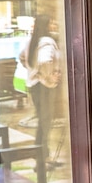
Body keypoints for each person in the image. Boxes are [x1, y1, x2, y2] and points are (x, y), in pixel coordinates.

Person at [19, 14, 61, 162]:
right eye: (51, 23)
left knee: (43, 122)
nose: (53, 26)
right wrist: (49, 76)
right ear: (46, 25)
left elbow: (22, 57)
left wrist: (33, 71)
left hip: (35, 85)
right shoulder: (47, 42)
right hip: (45, 87)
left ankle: (41, 154)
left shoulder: (31, 41)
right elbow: (45, 61)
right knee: (45, 122)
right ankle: (41, 155)